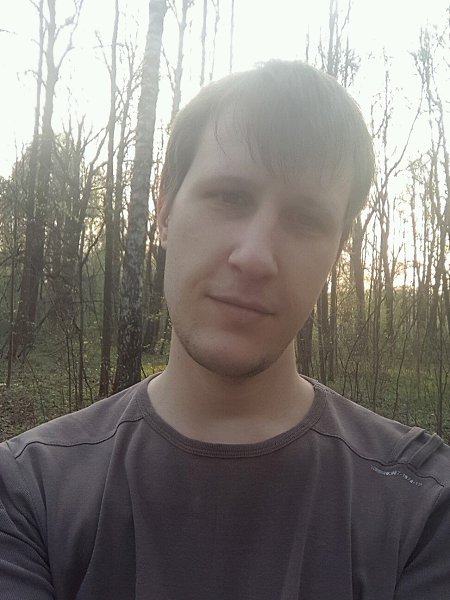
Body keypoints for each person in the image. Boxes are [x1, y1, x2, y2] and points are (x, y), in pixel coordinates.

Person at [1, 60, 449, 600]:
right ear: (165, 207)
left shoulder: (423, 506)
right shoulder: (28, 493)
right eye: (230, 197)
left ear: (337, 250)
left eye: (306, 219)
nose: (255, 256)